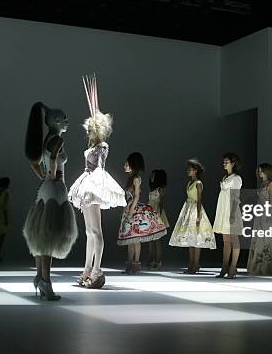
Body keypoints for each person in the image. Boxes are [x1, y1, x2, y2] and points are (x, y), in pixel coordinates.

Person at [68, 74, 126, 289]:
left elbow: (99, 168)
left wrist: (92, 187)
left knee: (96, 231)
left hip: (92, 187)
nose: (88, 132)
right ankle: (86, 269)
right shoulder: (94, 146)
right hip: (87, 186)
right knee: (89, 231)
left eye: (91, 129)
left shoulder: (102, 146)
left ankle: (96, 269)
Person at [23, 101, 78, 300]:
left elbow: (34, 162)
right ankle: (46, 281)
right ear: (55, 121)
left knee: (42, 235)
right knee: (49, 236)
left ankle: (40, 277)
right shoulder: (56, 140)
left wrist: (45, 176)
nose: (67, 122)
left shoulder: (46, 138)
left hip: (45, 188)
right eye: (65, 119)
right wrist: (53, 175)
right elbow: (53, 160)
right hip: (55, 188)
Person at [117, 153, 166, 273]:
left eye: (127, 164)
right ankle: (130, 263)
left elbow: (137, 196)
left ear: (133, 166)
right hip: (129, 208)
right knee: (130, 238)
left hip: (134, 210)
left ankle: (135, 264)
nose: (124, 166)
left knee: (136, 238)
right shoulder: (131, 178)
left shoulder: (136, 178)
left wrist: (131, 210)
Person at [169, 158, 216, 274]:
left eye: (190, 169)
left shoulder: (198, 183)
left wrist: (199, 216)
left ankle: (195, 264)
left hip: (195, 210)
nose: (188, 171)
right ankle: (191, 264)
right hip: (188, 209)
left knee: (197, 238)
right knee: (191, 238)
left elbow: (199, 200)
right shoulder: (190, 182)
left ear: (195, 171)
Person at [213, 153, 243, 279]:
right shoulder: (226, 177)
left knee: (234, 240)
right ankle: (224, 266)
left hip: (232, 210)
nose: (224, 163)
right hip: (223, 210)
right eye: (224, 161)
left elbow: (236, 198)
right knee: (226, 240)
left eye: (227, 161)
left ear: (233, 163)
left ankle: (233, 267)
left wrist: (232, 214)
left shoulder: (236, 178)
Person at [147, 169, 169, 270]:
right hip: (150, 214)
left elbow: (161, 204)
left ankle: (158, 261)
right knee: (151, 240)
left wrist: (158, 218)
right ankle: (151, 260)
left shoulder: (160, 189)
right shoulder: (151, 190)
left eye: (153, 175)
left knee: (157, 241)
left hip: (157, 215)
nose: (151, 177)